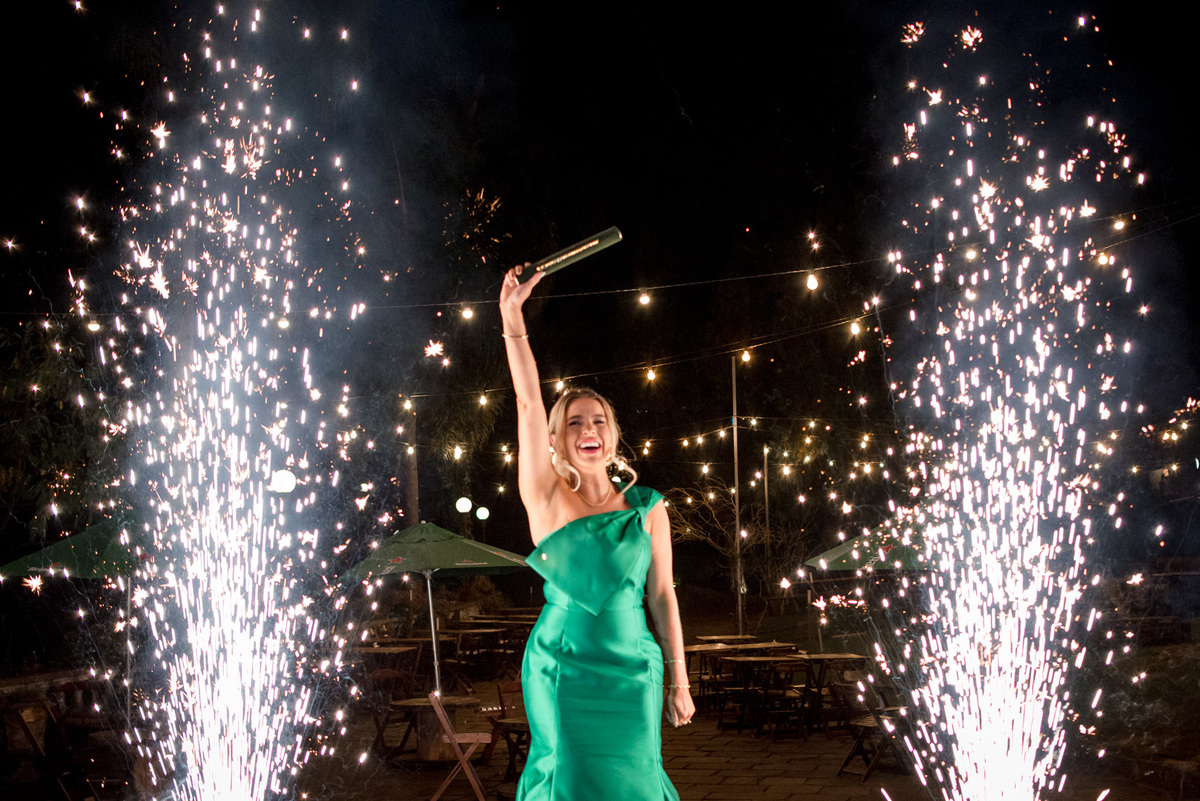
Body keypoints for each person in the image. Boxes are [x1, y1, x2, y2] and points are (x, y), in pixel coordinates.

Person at [500, 263, 694, 800]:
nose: (589, 428)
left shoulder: (649, 508)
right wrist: (512, 317)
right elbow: (528, 403)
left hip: (634, 671)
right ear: (556, 440)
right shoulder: (545, 497)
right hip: (562, 667)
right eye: (575, 422)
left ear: (613, 437)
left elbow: (662, 596)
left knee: (636, 784)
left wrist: (678, 679)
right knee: (569, 781)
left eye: (598, 420)